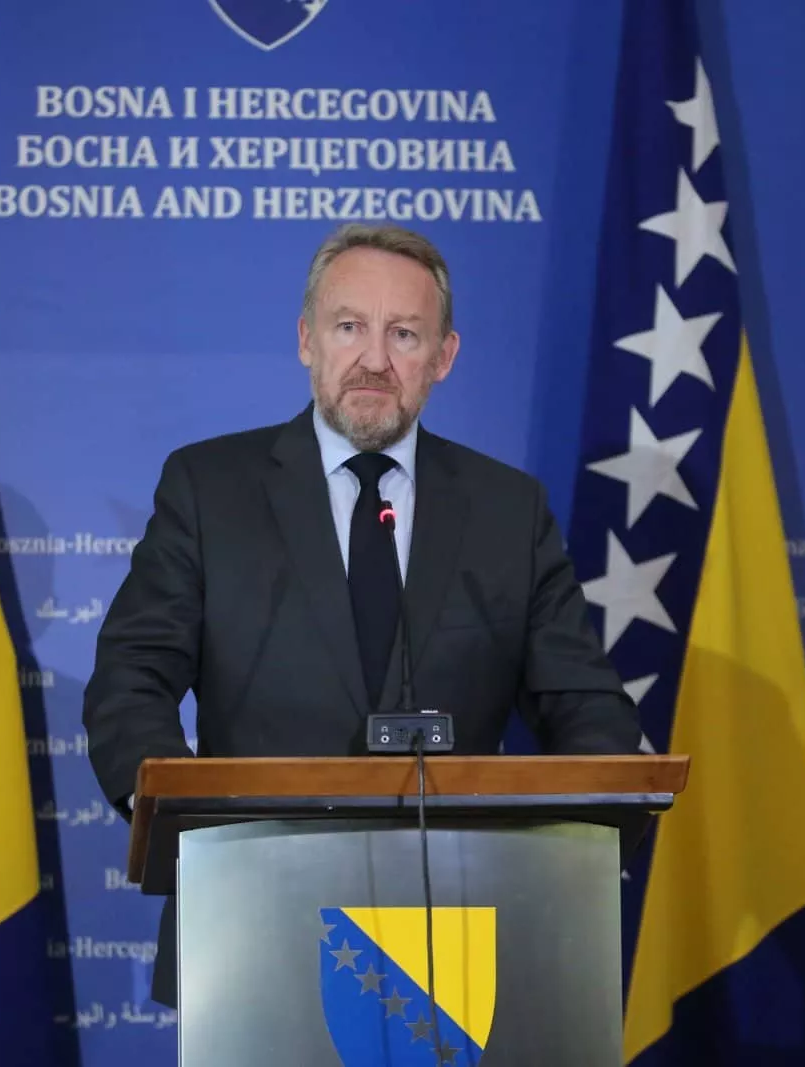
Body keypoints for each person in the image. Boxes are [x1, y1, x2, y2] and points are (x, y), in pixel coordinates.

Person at [82, 222, 643, 1007]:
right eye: (349, 326)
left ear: (443, 356)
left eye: (404, 333)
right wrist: (188, 829)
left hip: (459, 935)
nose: (374, 359)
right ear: (306, 339)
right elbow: (130, 683)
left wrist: (557, 854)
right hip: (250, 920)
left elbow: (588, 710)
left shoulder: (506, 510)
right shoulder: (211, 489)